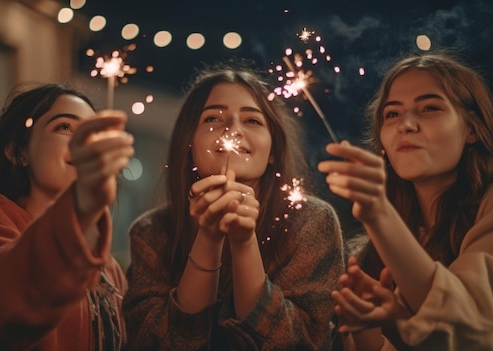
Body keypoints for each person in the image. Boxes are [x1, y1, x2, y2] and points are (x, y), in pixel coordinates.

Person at [317, 51, 493, 350]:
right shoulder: (371, 253)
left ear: (472, 129)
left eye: (430, 108)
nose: (406, 125)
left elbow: (472, 332)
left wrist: (379, 214)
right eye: (393, 113)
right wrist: (370, 322)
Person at [123, 64, 345, 350]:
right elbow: (153, 343)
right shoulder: (152, 232)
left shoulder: (311, 221)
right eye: (213, 118)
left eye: (252, 121)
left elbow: (298, 342)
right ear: (188, 142)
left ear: (274, 151)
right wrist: (208, 237)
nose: (232, 130)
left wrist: (243, 243)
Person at [0, 83, 135, 350]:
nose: (85, 144)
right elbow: (0, 309)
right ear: (18, 152)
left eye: (92, 133)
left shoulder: (109, 268)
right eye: (64, 127)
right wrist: (80, 207)